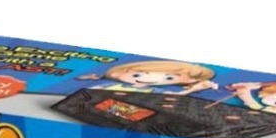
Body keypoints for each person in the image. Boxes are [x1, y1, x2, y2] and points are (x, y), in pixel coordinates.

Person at [79, 60, 218, 95]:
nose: (150, 79)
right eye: (137, 75)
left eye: (169, 78)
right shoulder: (109, 85)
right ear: (117, 74)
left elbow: (175, 95)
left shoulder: (153, 91)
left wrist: (194, 89)